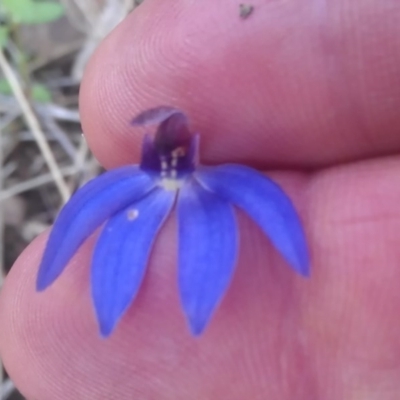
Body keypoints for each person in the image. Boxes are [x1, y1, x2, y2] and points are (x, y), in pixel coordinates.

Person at [1, 0, 400, 398]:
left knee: (196, 290)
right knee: (104, 292)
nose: (170, 155)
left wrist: (299, 256)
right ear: (150, 148)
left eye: (176, 145)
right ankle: (118, 316)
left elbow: (274, 213)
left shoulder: (231, 182)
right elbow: (73, 231)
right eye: (162, 145)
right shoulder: (116, 190)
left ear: (191, 147)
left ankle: (193, 314)